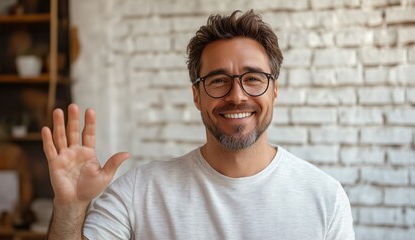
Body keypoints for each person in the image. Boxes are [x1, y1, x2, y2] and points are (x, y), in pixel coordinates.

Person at [42, 10, 355, 239]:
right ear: (196, 94)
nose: (237, 95)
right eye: (218, 80)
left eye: (253, 79)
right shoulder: (140, 193)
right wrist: (71, 205)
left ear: (275, 90)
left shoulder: (324, 197)